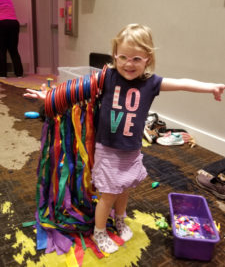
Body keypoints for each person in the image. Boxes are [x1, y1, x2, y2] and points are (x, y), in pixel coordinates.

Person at [23, 24, 225, 254]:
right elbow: (72, 90)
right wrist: (46, 96)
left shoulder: (152, 83)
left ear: (148, 58)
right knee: (108, 195)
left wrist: (210, 87)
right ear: (115, 56)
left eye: (136, 58)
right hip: (108, 150)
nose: (129, 64)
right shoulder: (106, 77)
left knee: (125, 188)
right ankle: (99, 231)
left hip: (131, 150)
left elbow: (181, 83)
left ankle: (120, 219)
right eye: (123, 57)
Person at [0, 0, 23, 78]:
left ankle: (2, 74)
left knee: (1, 50)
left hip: (2, 23)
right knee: (13, 50)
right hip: (14, 23)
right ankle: (19, 74)